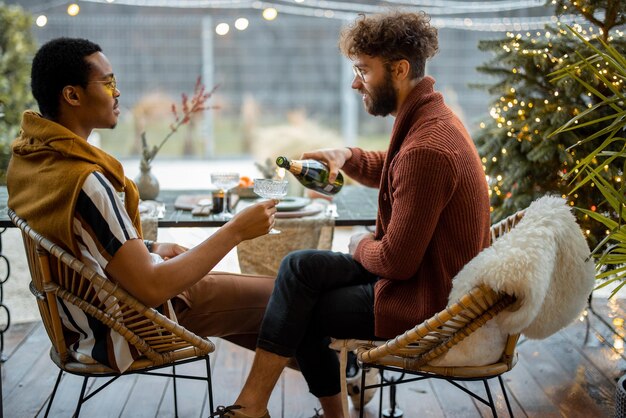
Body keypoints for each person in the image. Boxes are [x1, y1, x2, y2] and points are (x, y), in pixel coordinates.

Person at [213, 10, 491, 418]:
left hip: (427, 298)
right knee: (298, 267)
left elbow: (395, 261)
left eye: (363, 70)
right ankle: (259, 405)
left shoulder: (428, 146)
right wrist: (346, 156)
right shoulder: (430, 119)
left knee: (302, 308)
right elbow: (396, 168)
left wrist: (361, 242)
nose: (354, 82)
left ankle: (291, 410)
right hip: (422, 276)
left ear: (399, 69)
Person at [6, 37, 279, 372]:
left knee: (287, 317)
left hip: (82, 326)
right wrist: (236, 230)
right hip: (132, 324)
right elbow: (152, 288)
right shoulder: (85, 181)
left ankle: (310, 393)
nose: (117, 92)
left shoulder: (35, 159)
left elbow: (79, 244)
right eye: (108, 83)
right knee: (292, 293)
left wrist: (149, 246)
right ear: (72, 95)